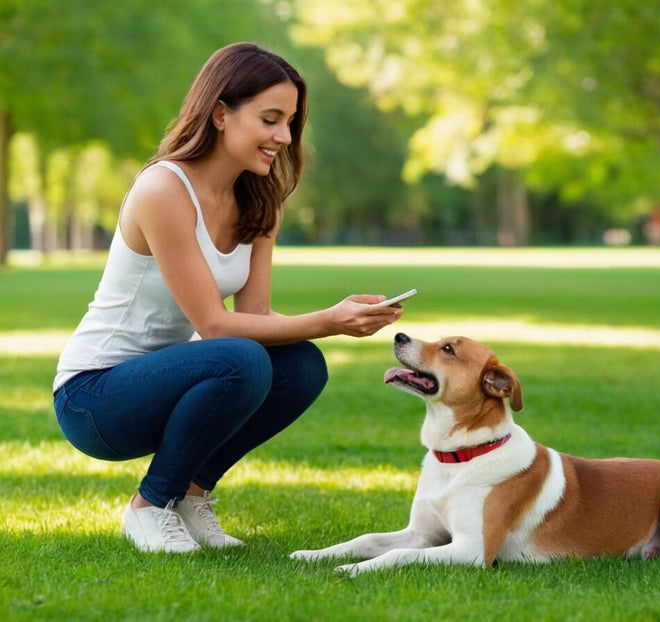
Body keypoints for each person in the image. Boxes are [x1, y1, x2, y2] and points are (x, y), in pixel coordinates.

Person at [52, 42, 402, 553]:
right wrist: (328, 319)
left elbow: (255, 317)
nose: (283, 137)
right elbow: (216, 326)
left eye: (290, 123)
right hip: (95, 398)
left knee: (300, 364)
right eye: (270, 119)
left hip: (173, 381)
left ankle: (191, 496)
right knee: (240, 358)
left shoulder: (260, 202)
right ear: (220, 113)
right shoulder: (163, 189)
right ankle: (151, 506)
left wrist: (333, 322)